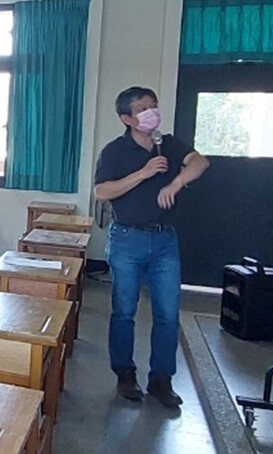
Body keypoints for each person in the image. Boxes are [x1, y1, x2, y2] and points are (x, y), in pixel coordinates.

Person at [95, 86, 209, 408]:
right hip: (127, 240)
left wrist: (175, 182)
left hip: (164, 242)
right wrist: (144, 173)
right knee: (124, 311)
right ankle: (125, 375)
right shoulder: (115, 152)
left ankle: (161, 380)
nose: (152, 112)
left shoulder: (167, 144)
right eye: (143, 108)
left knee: (168, 314)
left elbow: (200, 162)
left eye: (154, 105)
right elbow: (102, 192)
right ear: (127, 118)